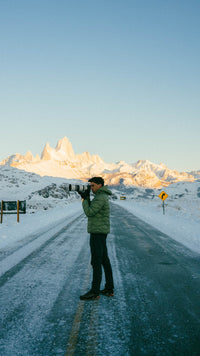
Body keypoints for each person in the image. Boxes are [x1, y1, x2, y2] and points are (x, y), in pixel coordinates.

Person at [78, 176, 114, 301]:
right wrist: (87, 197)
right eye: (90, 185)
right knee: (104, 260)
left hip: (98, 233)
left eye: (93, 185)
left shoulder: (101, 197)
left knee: (96, 261)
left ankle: (94, 291)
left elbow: (89, 212)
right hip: (100, 231)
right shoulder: (100, 196)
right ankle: (109, 288)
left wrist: (84, 198)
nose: (91, 188)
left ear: (100, 185)